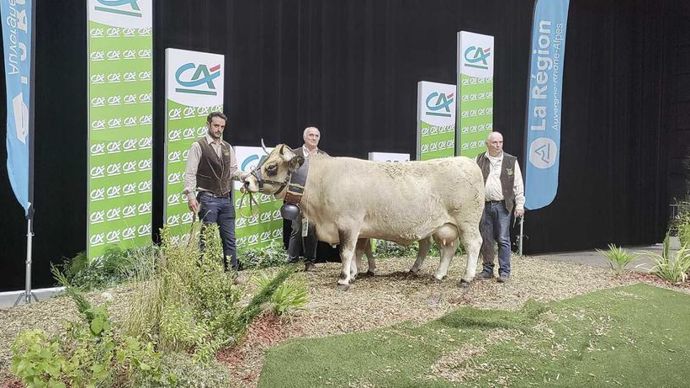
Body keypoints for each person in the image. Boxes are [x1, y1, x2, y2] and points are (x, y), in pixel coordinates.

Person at [183, 111, 248, 271]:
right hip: (206, 198)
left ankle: (232, 272)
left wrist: (246, 176)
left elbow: (233, 171)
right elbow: (190, 173)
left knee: (230, 239)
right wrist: (191, 196)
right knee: (208, 239)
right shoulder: (198, 146)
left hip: (226, 199)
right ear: (208, 125)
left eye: (222, 126)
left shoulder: (228, 147)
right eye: (216, 125)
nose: (219, 129)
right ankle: (206, 273)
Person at [475, 131, 525, 283]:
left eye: (500, 142)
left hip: (503, 205)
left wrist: (520, 204)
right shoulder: (478, 159)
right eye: (495, 142)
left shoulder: (510, 160)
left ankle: (504, 272)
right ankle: (487, 269)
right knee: (486, 238)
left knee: (503, 238)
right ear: (487, 144)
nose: (498, 145)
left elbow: (518, 183)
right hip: (484, 205)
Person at [287, 126, 328, 271]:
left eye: (317, 135)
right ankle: (291, 263)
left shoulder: (324, 156)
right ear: (305, 137)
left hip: (315, 201)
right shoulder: (294, 154)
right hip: (297, 198)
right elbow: (287, 175)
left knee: (311, 230)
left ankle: (310, 262)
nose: (314, 138)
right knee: (297, 229)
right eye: (311, 135)